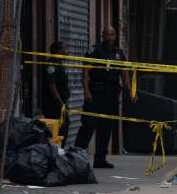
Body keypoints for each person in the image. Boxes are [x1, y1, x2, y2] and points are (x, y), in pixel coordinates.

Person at [74, 26, 135, 168]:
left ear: (115, 36)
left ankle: (100, 159)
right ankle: (76, 156)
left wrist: (131, 92)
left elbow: (125, 75)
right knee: (88, 124)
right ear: (103, 36)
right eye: (107, 35)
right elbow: (86, 73)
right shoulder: (95, 51)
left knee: (106, 126)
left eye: (112, 34)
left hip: (111, 94)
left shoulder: (119, 54)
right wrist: (86, 92)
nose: (110, 37)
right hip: (95, 93)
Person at [44, 41, 70, 146]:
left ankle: (59, 151)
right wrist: (60, 104)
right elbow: (52, 86)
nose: (67, 51)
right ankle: (56, 153)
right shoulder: (52, 65)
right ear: (59, 51)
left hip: (60, 104)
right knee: (57, 131)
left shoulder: (59, 64)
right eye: (65, 48)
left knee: (63, 129)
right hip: (54, 106)